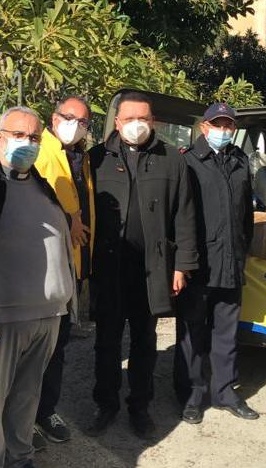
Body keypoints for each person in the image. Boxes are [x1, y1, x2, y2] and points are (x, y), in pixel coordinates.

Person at [87, 91, 198, 439]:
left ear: (154, 122)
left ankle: (140, 406)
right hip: (108, 267)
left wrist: (182, 265)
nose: (137, 124)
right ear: (117, 122)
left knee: (144, 340)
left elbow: (185, 215)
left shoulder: (171, 159)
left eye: (144, 118)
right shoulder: (96, 158)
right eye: (130, 118)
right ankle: (106, 403)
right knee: (106, 340)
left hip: (152, 268)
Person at [174, 103, 258, 423]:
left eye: (229, 125)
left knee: (226, 331)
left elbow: (246, 216)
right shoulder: (188, 162)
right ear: (204, 128)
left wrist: (242, 249)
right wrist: (182, 262)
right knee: (193, 332)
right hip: (200, 264)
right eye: (217, 124)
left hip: (231, 262)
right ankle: (192, 394)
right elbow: (179, 216)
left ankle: (224, 391)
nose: (224, 130)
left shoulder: (239, 161)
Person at [0, 106, 75, 468]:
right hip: (6, 317)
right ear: (0, 138)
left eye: (33, 137)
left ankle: (20, 458)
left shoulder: (43, 186)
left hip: (48, 315)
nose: (27, 143)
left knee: (26, 398)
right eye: (18, 135)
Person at [33, 96, 94, 446]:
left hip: (71, 266)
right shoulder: (41, 150)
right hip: (42, 266)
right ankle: (23, 419)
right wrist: (66, 218)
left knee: (57, 346)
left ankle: (44, 411)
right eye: (69, 117)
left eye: (83, 120)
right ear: (54, 118)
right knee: (32, 351)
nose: (75, 124)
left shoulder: (79, 157)